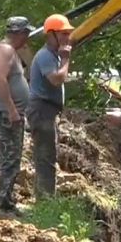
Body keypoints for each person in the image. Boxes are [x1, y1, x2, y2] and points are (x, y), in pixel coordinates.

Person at [0, 16, 34, 212]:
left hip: (9, 113)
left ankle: (6, 201)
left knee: (12, 159)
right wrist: (12, 110)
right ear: (19, 32)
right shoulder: (4, 50)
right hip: (5, 114)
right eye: (26, 33)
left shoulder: (11, 52)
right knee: (9, 160)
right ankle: (3, 206)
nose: (28, 37)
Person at [27, 14, 73, 199]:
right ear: (51, 34)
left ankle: (44, 198)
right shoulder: (46, 56)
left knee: (46, 154)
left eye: (68, 33)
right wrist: (65, 59)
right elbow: (56, 79)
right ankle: (46, 201)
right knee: (46, 156)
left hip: (46, 110)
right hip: (41, 109)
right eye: (63, 34)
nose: (67, 38)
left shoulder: (52, 55)